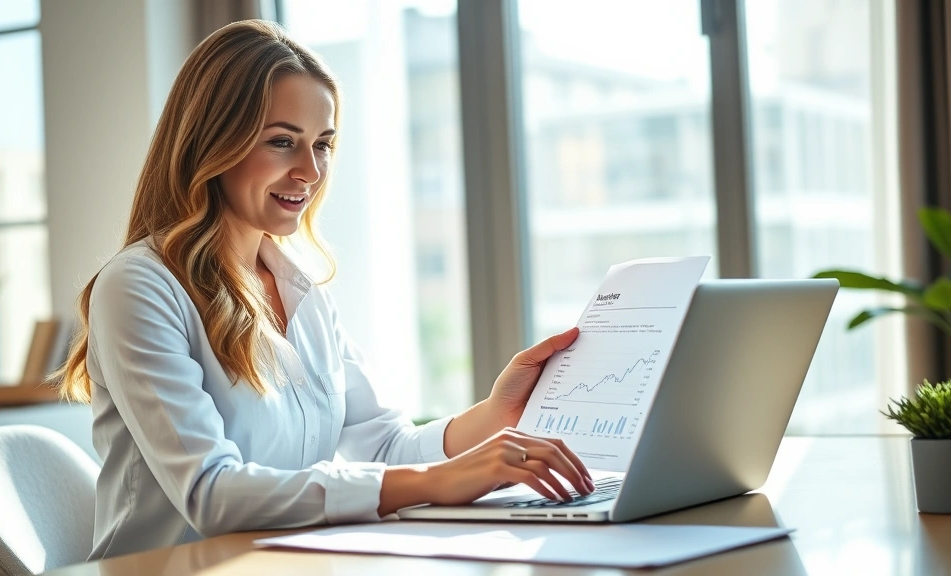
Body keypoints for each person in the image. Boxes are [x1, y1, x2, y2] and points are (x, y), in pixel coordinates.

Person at [57, 19, 593, 560]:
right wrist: (435, 482)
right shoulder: (139, 287)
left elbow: (386, 445)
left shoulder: (302, 293)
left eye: (323, 144)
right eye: (283, 142)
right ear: (213, 143)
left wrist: (498, 413)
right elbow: (210, 493)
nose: (310, 171)